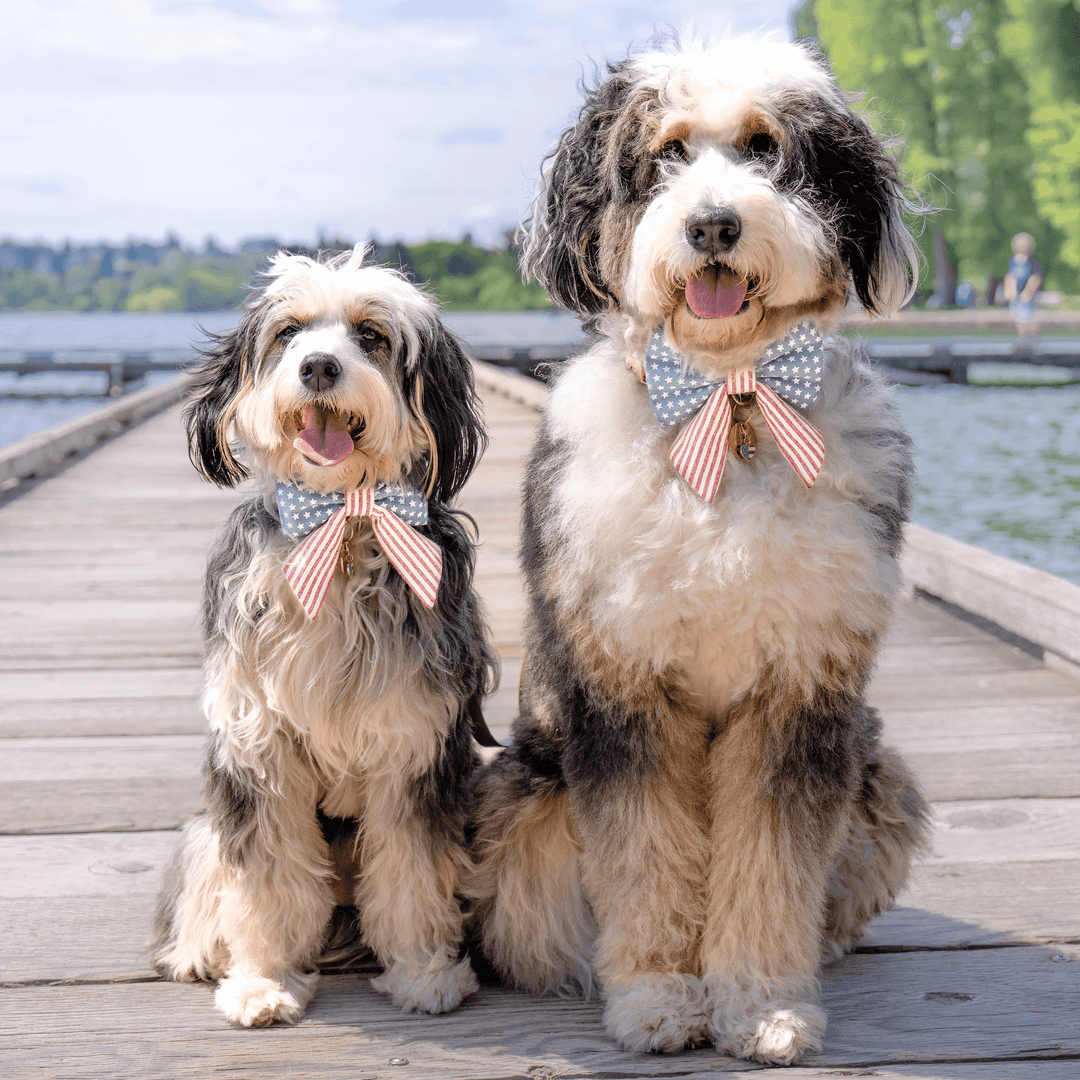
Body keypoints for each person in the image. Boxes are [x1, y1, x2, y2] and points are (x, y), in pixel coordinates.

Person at [1003, 232, 1043, 335]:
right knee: (1017, 320)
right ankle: (1021, 340)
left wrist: (1028, 293)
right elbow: (1010, 277)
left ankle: (1031, 339)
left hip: (1029, 299)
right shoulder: (1012, 261)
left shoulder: (1032, 261)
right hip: (1016, 298)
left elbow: (1035, 278)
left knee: (1029, 318)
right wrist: (1009, 291)